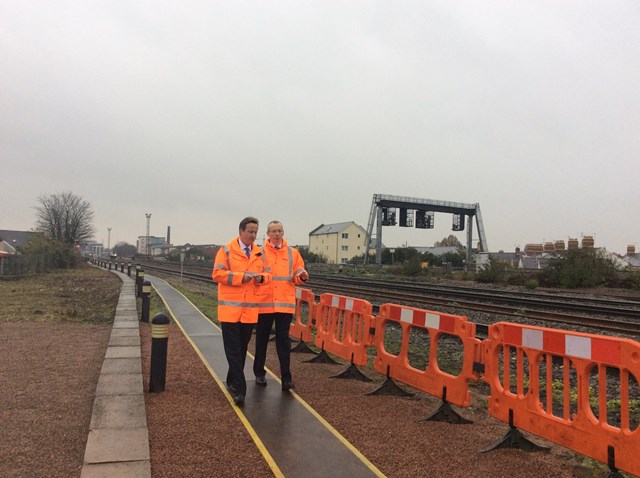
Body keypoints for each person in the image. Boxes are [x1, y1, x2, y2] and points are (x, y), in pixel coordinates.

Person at [212, 216, 270, 405]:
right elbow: (217, 274)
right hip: (230, 311)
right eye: (250, 232)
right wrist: (240, 277)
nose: (253, 235)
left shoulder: (260, 253)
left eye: (255, 232)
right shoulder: (227, 250)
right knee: (233, 350)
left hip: (250, 311)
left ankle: (231, 379)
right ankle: (240, 387)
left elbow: (268, 275)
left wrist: (262, 279)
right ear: (241, 231)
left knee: (242, 348)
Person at [253, 220, 308, 391]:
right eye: (273, 231)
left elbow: (298, 272)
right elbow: (255, 274)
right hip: (264, 303)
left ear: (283, 233)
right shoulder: (258, 252)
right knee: (261, 340)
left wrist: (302, 275)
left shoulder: (293, 253)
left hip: (284, 304)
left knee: (283, 342)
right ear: (267, 234)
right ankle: (259, 373)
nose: (277, 234)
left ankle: (286, 377)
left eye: (280, 231)